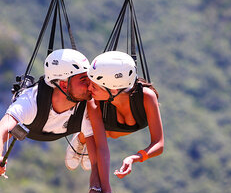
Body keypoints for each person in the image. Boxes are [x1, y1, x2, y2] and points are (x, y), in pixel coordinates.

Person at [0, 49, 113, 193]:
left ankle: (81, 140)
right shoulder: (30, 101)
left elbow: (97, 156)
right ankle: (81, 137)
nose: (91, 85)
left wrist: (95, 190)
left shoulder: (87, 104)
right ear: (62, 84)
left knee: (111, 126)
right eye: (84, 80)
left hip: (69, 128)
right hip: (37, 128)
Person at [65, 50, 164, 179]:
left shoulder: (146, 97)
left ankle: (85, 138)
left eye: (94, 87)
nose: (89, 89)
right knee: (99, 133)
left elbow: (159, 144)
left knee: (111, 133)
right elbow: (101, 146)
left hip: (127, 125)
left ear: (113, 89)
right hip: (103, 127)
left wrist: (135, 158)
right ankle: (81, 138)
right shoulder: (94, 102)